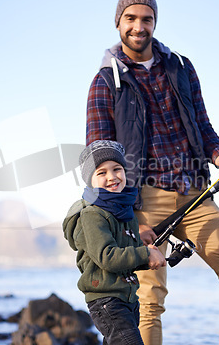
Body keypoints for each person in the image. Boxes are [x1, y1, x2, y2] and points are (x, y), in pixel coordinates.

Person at [85, 0, 219, 345]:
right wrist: (119, 216)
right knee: (147, 302)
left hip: (196, 194)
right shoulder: (105, 82)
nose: (138, 27)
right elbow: (99, 160)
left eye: (147, 19)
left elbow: (203, 128)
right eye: (130, 18)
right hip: (141, 203)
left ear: (155, 22)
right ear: (118, 22)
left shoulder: (180, 68)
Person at [63, 140, 167, 345]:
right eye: (101, 173)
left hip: (128, 299)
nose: (112, 177)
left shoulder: (125, 211)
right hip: (106, 301)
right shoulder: (92, 214)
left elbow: (128, 255)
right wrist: (145, 254)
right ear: (89, 180)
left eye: (117, 169)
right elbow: (107, 257)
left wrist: (149, 257)